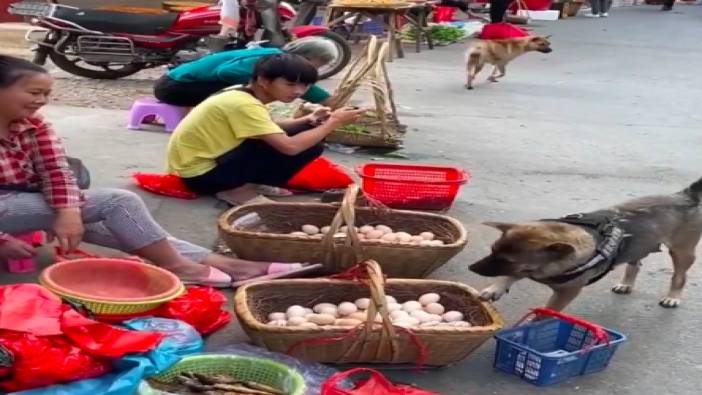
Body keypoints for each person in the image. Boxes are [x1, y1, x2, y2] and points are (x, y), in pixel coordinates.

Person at [0, 55, 302, 287]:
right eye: (34, 92)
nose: (41, 101)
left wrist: (69, 212)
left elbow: (55, 169)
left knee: (118, 224)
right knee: (118, 202)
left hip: (26, 200)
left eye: (46, 94)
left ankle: (223, 264)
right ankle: (182, 267)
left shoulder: (36, 123)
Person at [165, 53, 365, 203]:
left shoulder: (240, 92)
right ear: (263, 80)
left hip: (201, 167)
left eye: (304, 86)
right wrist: (334, 122)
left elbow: (268, 126)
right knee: (310, 145)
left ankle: (251, 183)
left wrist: (309, 119)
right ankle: (236, 190)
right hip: (202, 176)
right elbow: (290, 147)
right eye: (290, 84)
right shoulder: (244, 104)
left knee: (305, 132)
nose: (298, 92)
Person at [154, 37, 338, 107]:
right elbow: (226, 72)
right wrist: (259, 82)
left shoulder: (278, 57)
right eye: (318, 63)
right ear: (306, 56)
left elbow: (298, 83)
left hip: (175, 84)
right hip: (175, 88)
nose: (317, 69)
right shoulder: (273, 59)